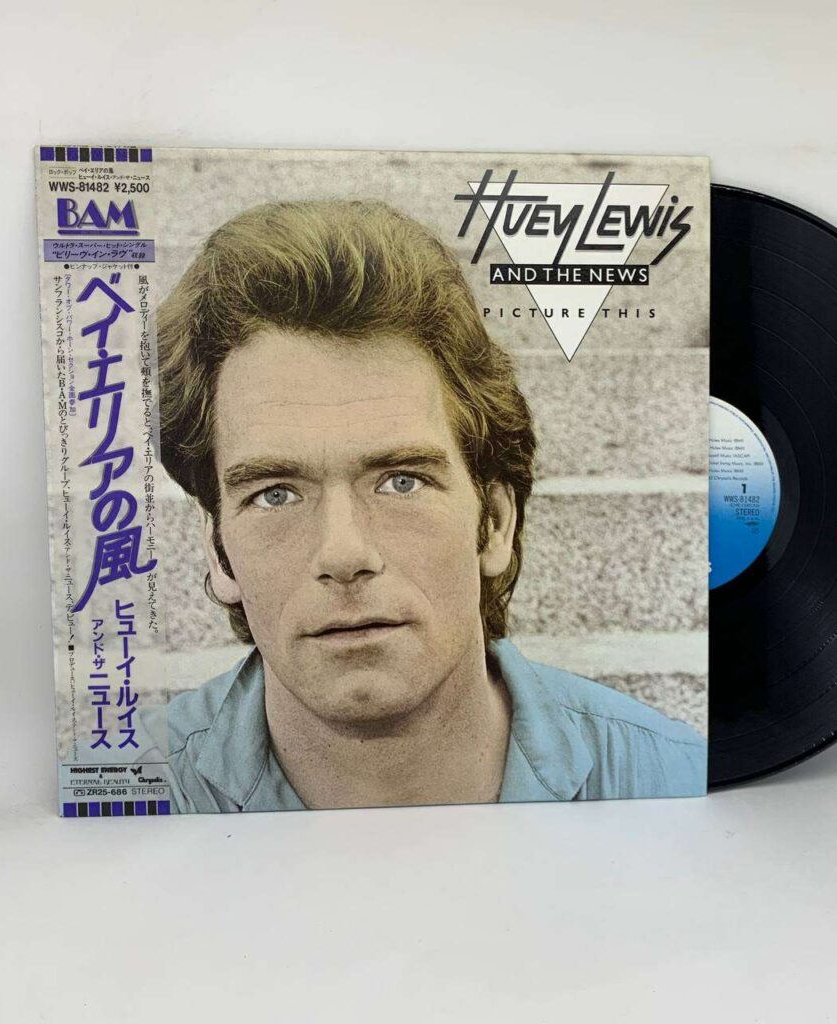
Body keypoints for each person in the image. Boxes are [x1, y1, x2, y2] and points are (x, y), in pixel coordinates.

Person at [155, 199, 705, 811]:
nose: (343, 553)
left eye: (401, 482)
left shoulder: (675, 784)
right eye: (274, 494)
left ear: (494, 524)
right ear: (218, 551)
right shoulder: (123, 801)